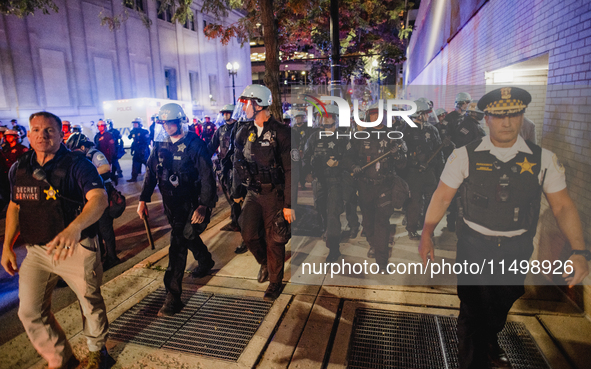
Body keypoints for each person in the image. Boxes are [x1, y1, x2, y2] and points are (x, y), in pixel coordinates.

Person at [419, 87, 590, 369]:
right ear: (486, 119)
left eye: (514, 115)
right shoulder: (464, 156)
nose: (507, 123)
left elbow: (562, 206)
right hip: (475, 245)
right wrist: (427, 234)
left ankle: (490, 338)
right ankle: (474, 358)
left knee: (501, 303)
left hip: (516, 248)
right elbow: (442, 196)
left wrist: (580, 250)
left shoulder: (543, 159)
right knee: (472, 311)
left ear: (522, 117)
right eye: (499, 117)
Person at [1, 112, 110, 369]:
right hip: (37, 251)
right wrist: (7, 246)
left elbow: (99, 199)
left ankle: (97, 351)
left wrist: (74, 229)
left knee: (89, 303)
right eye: (36, 130)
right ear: (28, 134)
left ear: (61, 134)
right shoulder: (20, 167)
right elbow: (15, 207)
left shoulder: (78, 164)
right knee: (29, 311)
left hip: (76, 248)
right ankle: (61, 358)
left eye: (49, 130)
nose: (42, 135)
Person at [137, 103, 217, 316]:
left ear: (180, 121)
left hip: (191, 203)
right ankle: (205, 260)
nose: (167, 126)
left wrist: (203, 205)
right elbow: (151, 173)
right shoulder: (160, 144)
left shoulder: (194, 144)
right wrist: (143, 200)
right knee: (187, 236)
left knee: (177, 245)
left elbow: (208, 176)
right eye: (163, 122)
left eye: (170, 121)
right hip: (170, 204)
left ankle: (172, 297)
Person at [232, 84, 293, 301]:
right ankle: (265, 263)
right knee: (248, 234)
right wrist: (236, 190)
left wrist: (288, 204)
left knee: (275, 239)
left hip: (274, 194)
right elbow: (237, 161)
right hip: (253, 193)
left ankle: (275, 283)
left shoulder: (283, 133)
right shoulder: (244, 131)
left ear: (258, 104)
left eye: (247, 103)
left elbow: (290, 170)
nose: (245, 107)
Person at [345, 102, 407, 267]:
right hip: (365, 186)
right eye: (372, 114)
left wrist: (397, 155)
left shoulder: (394, 136)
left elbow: (403, 164)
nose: (375, 117)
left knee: (382, 221)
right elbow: (347, 157)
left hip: (385, 186)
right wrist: (353, 167)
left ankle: (381, 258)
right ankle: (373, 243)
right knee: (368, 222)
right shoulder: (361, 135)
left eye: (378, 114)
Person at [66, 133, 120, 270]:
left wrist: (87, 173)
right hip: (89, 195)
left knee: (105, 227)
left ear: (83, 146)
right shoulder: (80, 157)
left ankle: (112, 258)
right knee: (95, 227)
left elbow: (106, 168)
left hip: (103, 192)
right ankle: (101, 255)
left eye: (76, 149)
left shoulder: (95, 154)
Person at [302, 104, 349, 262]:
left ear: (335, 119)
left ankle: (334, 249)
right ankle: (328, 230)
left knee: (332, 214)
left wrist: (339, 163)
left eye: (328, 117)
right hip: (319, 181)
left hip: (336, 181)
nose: (324, 120)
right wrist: (307, 172)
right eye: (322, 117)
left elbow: (352, 159)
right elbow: (306, 156)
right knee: (321, 210)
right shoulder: (314, 137)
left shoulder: (343, 137)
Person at [208, 104, 248, 253]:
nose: (225, 115)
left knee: (242, 199)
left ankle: (246, 232)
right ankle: (235, 221)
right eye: (223, 113)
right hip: (226, 168)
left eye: (227, 113)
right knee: (232, 197)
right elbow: (211, 146)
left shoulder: (240, 128)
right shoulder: (221, 130)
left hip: (239, 168)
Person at [402, 99, 443, 240]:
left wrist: (438, 170)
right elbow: (402, 153)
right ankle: (412, 228)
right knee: (414, 202)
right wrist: (414, 162)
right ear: (418, 114)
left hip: (429, 172)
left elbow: (439, 151)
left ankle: (427, 226)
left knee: (431, 201)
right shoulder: (406, 131)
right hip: (414, 173)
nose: (428, 116)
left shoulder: (432, 130)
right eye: (426, 113)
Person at [291, 110, 313, 190]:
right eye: (296, 117)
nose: (297, 119)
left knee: (304, 168)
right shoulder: (293, 129)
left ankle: (303, 182)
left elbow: (307, 139)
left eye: (299, 117)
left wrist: (302, 149)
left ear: (303, 118)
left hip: (305, 151)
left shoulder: (307, 129)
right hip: (295, 152)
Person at [127, 117, 150, 182]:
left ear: (140, 124)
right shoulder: (133, 131)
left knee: (148, 165)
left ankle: (152, 178)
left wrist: (143, 150)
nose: (134, 125)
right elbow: (129, 137)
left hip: (143, 151)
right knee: (135, 164)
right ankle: (134, 177)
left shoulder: (144, 132)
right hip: (136, 151)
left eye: (136, 123)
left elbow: (147, 142)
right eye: (134, 124)